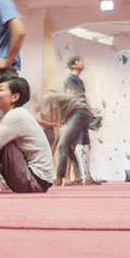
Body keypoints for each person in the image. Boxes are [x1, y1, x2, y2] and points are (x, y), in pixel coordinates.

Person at [38, 91, 94, 187]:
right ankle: (78, 177)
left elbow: (56, 118)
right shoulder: (61, 100)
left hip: (79, 113)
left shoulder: (50, 98)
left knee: (63, 146)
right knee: (67, 147)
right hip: (81, 113)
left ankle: (59, 178)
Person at [63, 56, 100, 185]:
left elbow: (82, 97)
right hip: (75, 115)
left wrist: (90, 109)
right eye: (79, 61)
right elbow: (70, 97)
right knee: (72, 145)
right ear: (73, 65)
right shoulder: (70, 80)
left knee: (85, 144)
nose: (82, 62)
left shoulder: (80, 81)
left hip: (82, 114)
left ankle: (87, 176)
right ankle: (67, 177)